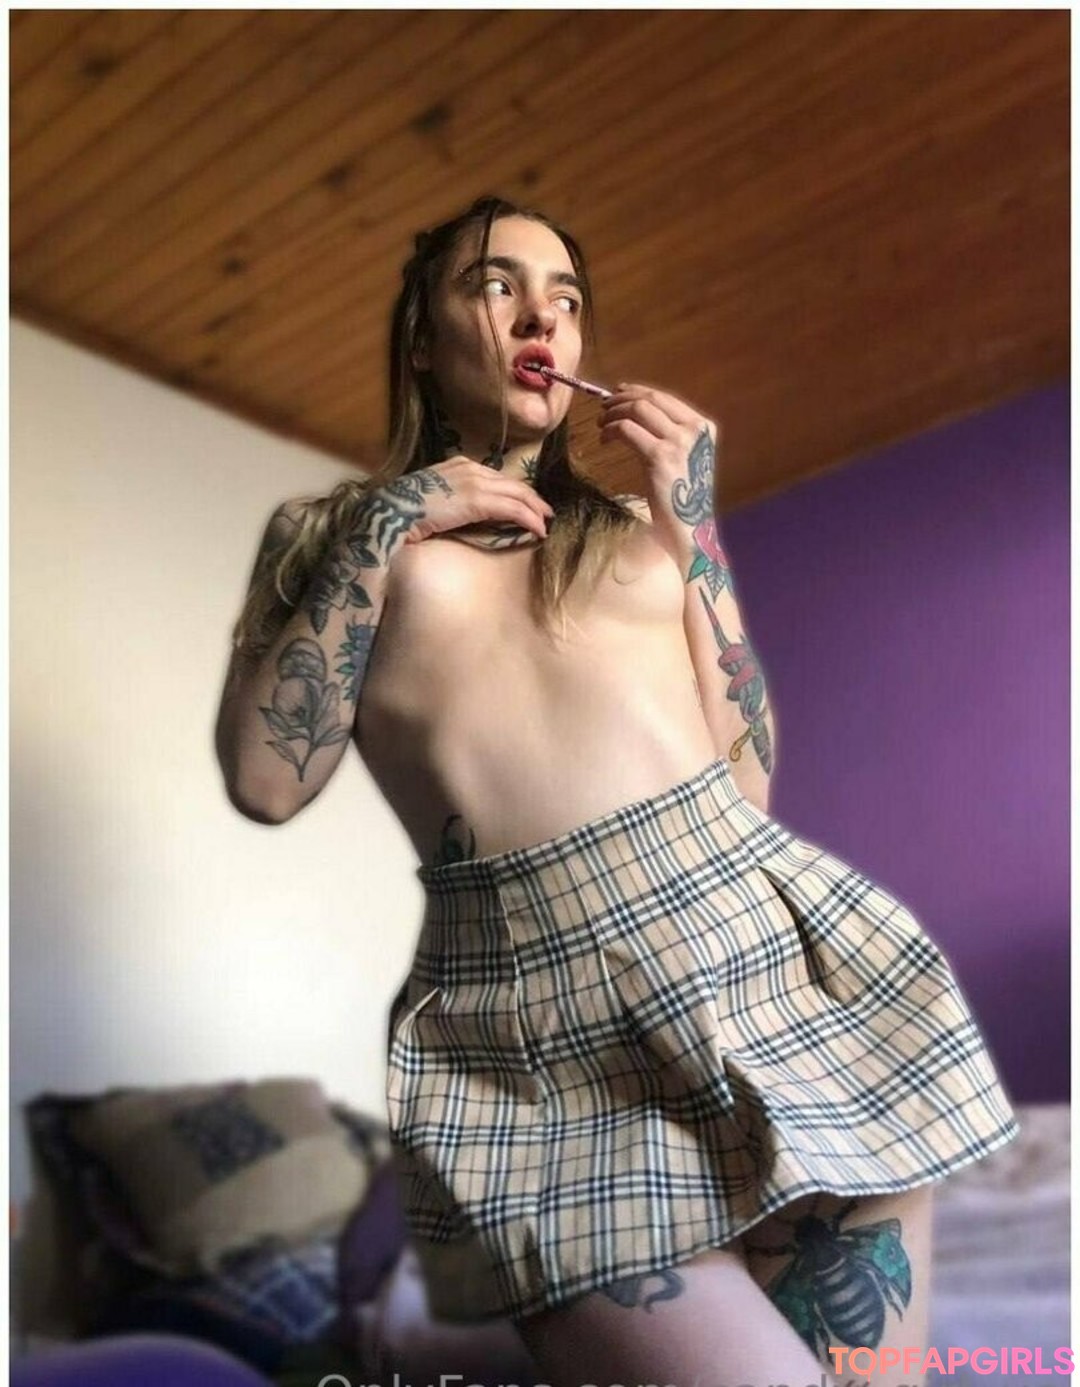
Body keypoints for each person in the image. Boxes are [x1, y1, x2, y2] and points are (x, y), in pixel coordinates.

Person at [214, 196, 1020, 1387]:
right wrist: (388, 523)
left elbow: (745, 784)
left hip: (771, 973)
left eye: (568, 297)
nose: (542, 315)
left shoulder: (641, 533)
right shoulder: (334, 532)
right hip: (533, 1037)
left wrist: (694, 524)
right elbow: (266, 780)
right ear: (422, 341)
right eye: (496, 284)